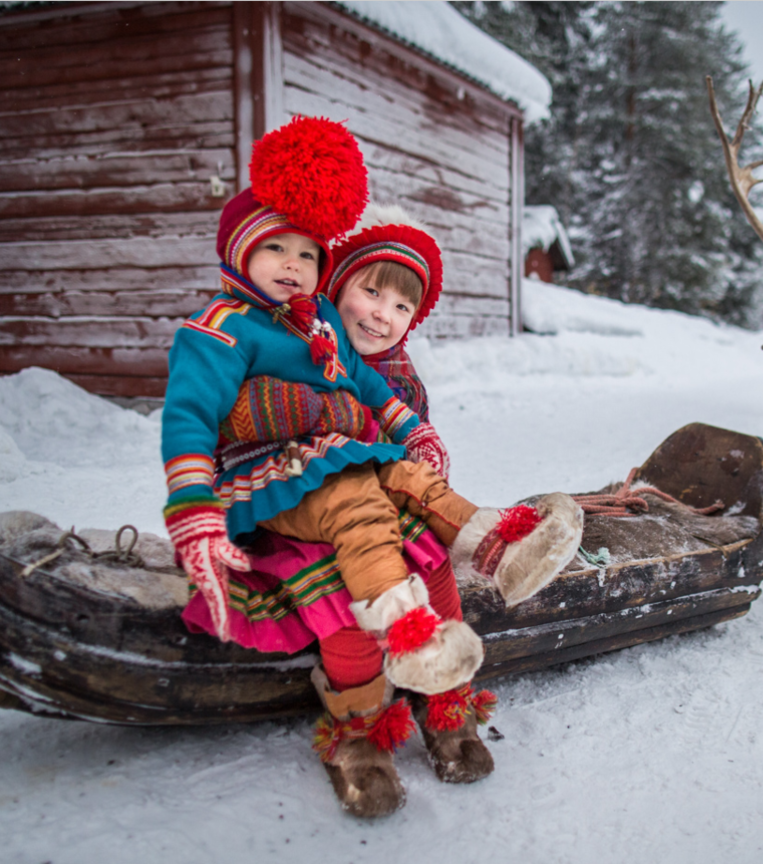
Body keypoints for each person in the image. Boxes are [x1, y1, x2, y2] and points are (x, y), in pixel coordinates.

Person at [163, 116, 583, 817]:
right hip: (291, 509)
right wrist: (198, 503)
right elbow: (200, 417)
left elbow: (382, 406)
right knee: (347, 616)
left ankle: (453, 683)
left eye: (401, 305)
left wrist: (401, 431)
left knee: (434, 562)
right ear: (340, 285)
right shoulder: (244, 327)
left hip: (374, 515)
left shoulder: (339, 344)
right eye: (369, 293)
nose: (382, 314)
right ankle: (359, 736)